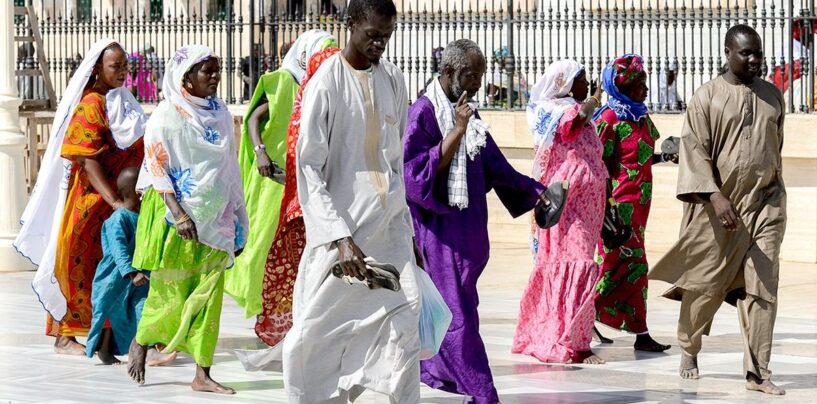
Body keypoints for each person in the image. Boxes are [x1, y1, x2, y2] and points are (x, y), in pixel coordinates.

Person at [281, 1, 422, 402]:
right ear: (350, 25)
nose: (379, 44)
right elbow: (308, 166)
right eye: (372, 35)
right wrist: (339, 237)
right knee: (314, 338)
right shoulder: (325, 82)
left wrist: (407, 232)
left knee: (403, 329)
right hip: (342, 240)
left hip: (389, 231)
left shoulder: (394, 79)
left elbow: (393, 163)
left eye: (386, 37)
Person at [404, 39, 548, 404]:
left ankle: (439, 371)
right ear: (448, 73)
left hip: (469, 237)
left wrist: (536, 193)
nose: (478, 84)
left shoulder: (467, 112)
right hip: (440, 237)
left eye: (481, 76)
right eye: (470, 75)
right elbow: (413, 176)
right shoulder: (424, 112)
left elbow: (494, 165)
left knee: (463, 311)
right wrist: (455, 131)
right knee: (457, 319)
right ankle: (483, 394)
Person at [649, 25, 787, 395]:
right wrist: (714, 195)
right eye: (747, 53)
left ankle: (758, 372)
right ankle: (689, 347)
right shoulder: (706, 97)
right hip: (716, 210)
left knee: (762, 288)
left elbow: (774, 151)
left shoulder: (773, 97)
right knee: (704, 287)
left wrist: (770, 193)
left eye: (758, 52)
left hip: (765, 207)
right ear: (728, 52)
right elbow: (694, 152)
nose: (755, 60)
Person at [126, 45, 249, 394]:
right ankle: (143, 340)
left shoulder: (222, 114)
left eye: (217, 68)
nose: (214, 76)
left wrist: (239, 217)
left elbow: (228, 166)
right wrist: (179, 214)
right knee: (172, 290)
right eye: (206, 70)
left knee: (210, 295)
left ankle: (202, 373)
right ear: (186, 77)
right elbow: (157, 165)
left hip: (218, 216)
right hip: (180, 219)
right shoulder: (167, 116)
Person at [15, 38, 145, 356]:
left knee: (114, 267)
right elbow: (87, 160)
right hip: (91, 202)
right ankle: (64, 335)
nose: (123, 72)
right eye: (116, 66)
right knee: (77, 263)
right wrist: (113, 200)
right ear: (98, 69)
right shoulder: (91, 105)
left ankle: (109, 335)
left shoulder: (121, 99)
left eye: (125, 66)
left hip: (120, 200)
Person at [227, 29, 337, 337]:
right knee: (262, 246)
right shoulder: (282, 81)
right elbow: (252, 120)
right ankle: (266, 316)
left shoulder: (318, 86)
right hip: (271, 181)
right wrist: (260, 153)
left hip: (299, 181)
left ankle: (286, 321)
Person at [512, 60, 608, 365]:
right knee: (576, 263)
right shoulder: (557, 110)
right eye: (581, 79)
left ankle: (572, 338)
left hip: (588, 206)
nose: (586, 82)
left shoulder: (572, 108)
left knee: (583, 262)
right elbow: (575, 121)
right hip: (568, 206)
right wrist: (595, 98)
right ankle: (569, 341)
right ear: (566, 83)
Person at [590, 54, 676, 352]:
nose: (646, 88)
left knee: (629, 268)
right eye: (639, 83)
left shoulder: (639, 115)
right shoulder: (608, 119)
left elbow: (640, 157)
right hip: (616, 210)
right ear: (624, 87)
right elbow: (596, 165)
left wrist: (665, 157)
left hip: (639, 209)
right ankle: (582, 317)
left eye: (645, 82)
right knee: (617, 267)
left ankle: (634, 330)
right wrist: (607, 208)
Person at [84, 167, 177, 366]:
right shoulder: (118, 219)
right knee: (108, 316)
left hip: (138, 278)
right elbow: (118, 250)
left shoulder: (144, 217)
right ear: (138, 192)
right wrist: (130, 272)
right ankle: (105, 351)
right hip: (113, 278)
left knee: (142, 309)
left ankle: (149, 348)